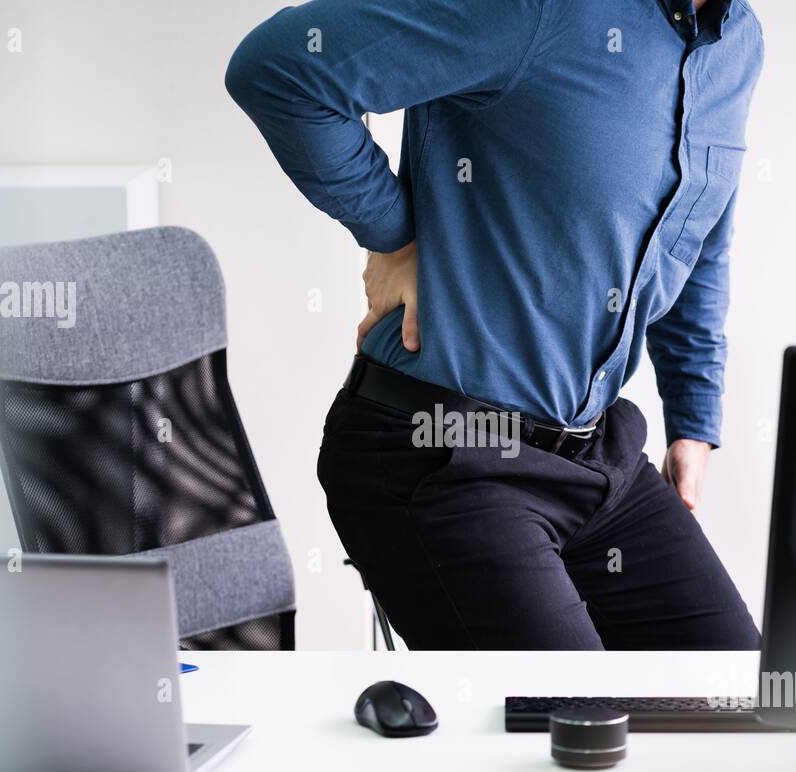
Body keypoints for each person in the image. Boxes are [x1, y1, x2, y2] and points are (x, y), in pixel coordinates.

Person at [227, 0, 764, 650]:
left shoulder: (737, 42)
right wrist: (395, 236)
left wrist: (694, 420)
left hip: (595, 458)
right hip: (443, 451)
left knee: (736, 699)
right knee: (578, 731)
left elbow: (699, 239)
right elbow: (279, 69)